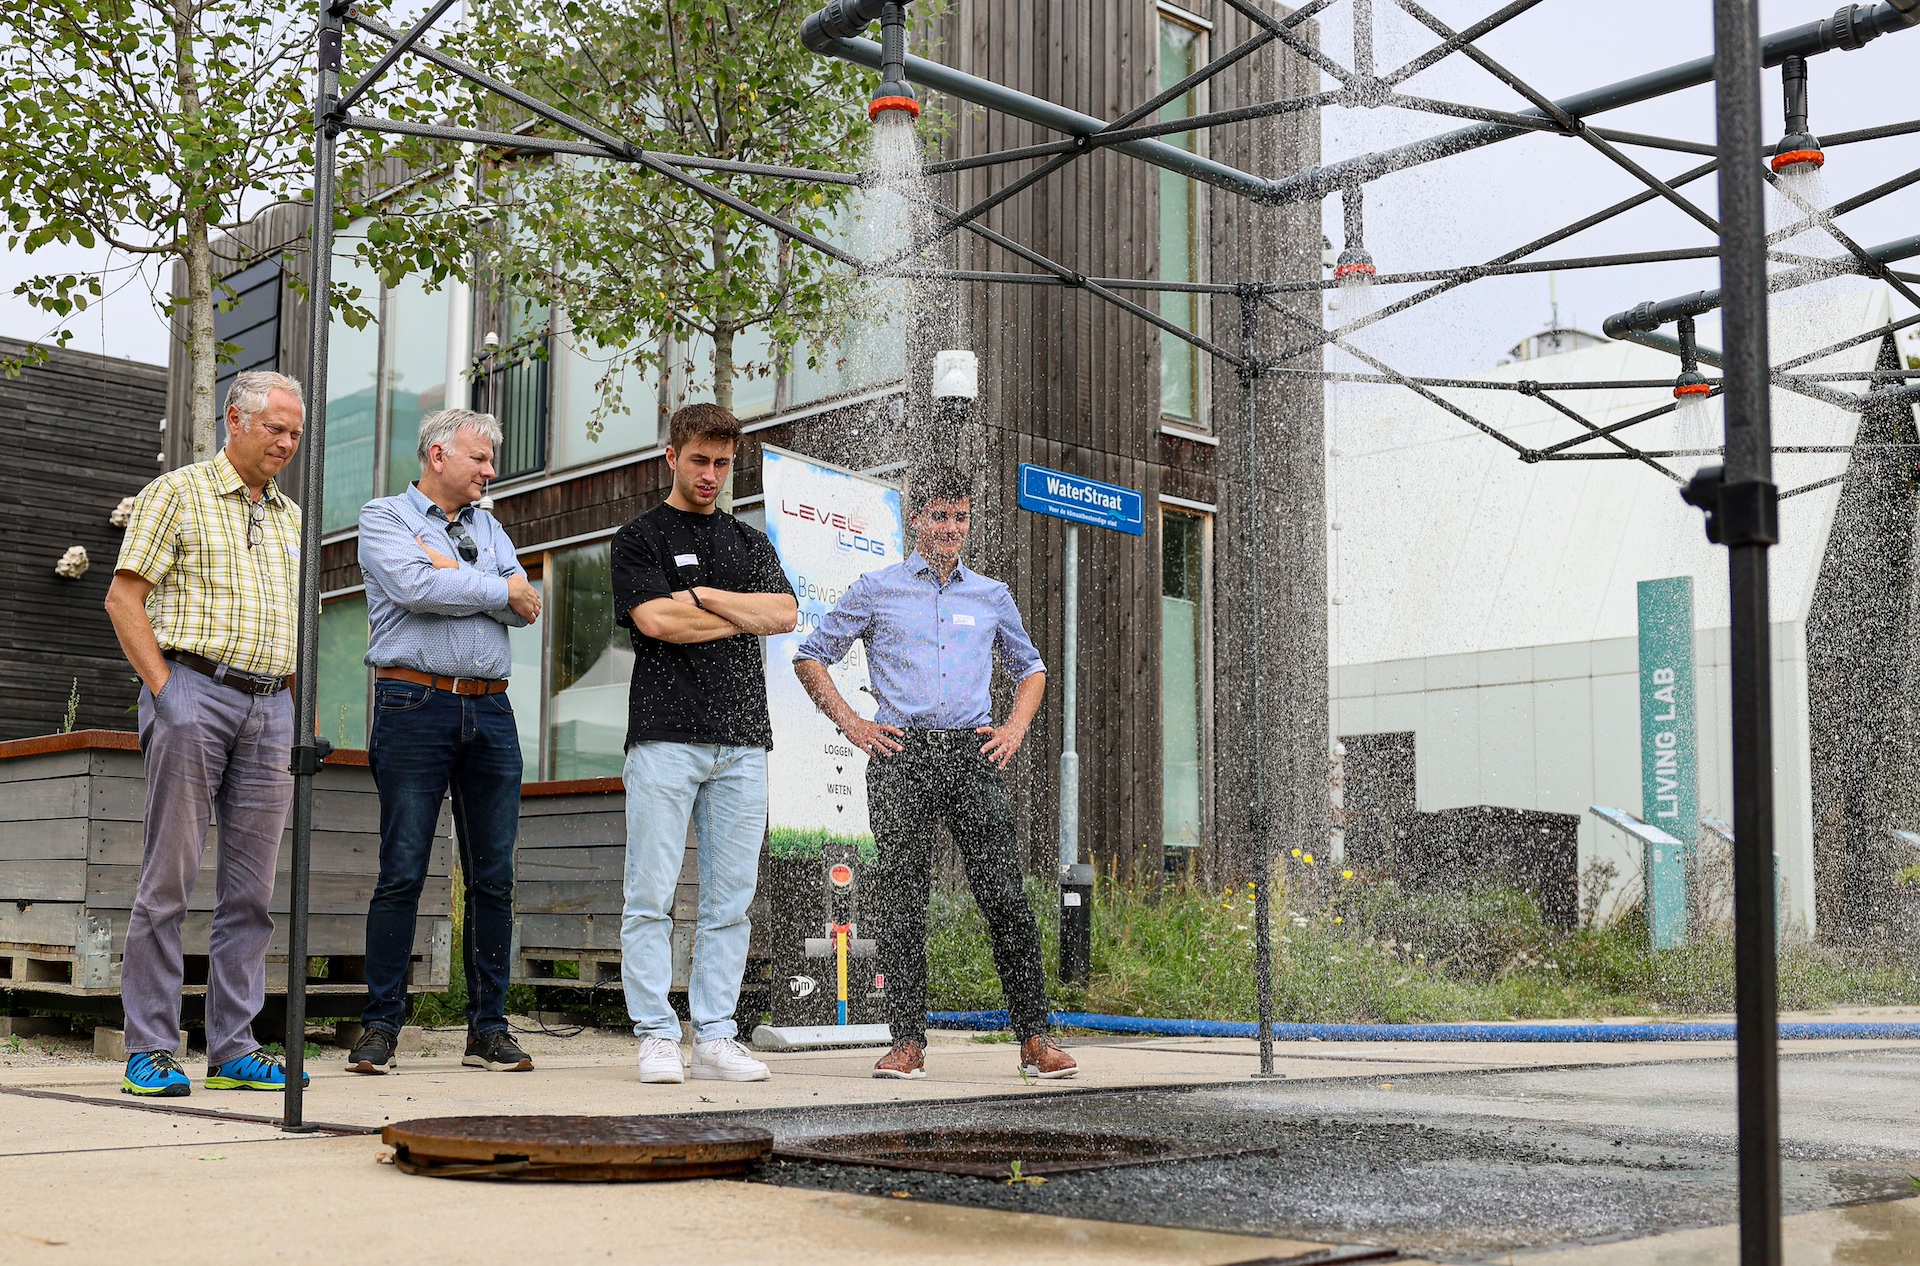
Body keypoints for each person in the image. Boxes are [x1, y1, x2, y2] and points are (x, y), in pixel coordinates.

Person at [793, 462, 1077, 1081]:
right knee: (901, 900)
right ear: (916, 519)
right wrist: (854, 724)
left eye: (961, 517)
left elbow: (1032, 669)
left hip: (972, 756)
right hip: (902, 757)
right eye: (939, 516)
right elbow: (811, 657)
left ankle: (1035, 1039)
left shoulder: (991, 595)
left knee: (1005, 895)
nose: (951, 527)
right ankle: (906, 1043)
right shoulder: (876, 589)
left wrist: (1014, 729)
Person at [103, 370, 312, 1097]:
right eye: (275, 428)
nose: (286, 444)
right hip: (194, 689)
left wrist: (298, 714)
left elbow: (297, 628)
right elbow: (123, 599)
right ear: (235, 420)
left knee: (252, 892)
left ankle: (233, 1048)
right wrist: (169, 695)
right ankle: (151, 1048)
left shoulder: (292, 517)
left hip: (272, 706)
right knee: (169, 879)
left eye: (295, 433)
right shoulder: (177, 493)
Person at [348, 408, 542, 1075]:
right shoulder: (384, 517)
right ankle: (380, 1028)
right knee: (402, 869)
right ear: (438, 455)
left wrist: (458, 577)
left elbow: (527, 605)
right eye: (479, 458)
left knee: (495, 877)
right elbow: (416, 588)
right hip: (413, 703)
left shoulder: (489, 526)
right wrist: (492, 586)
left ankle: (488, 1031)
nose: (491, 470)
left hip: (491, 709)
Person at [610, 403, 798, 1084]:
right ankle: (657, 1035)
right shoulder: (639, 537)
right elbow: (658, 623)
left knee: (730, 902)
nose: (711, 474)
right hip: (664, 736)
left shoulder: (749, 541)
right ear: (672, 457)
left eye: (722, 463)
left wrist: (703, 596)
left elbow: (784, 613)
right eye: (699, 460)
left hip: (743, 741)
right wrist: (739, 614)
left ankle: (716, 1035)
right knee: (650, 896)